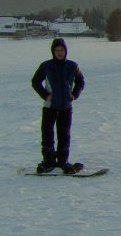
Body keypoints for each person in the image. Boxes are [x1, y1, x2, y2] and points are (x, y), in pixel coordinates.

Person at [31, 37, 86, 174]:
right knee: (47, 134)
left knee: (64, 134)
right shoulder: (46, 66)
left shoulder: (72, 66)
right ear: (53, 52)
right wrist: (45, 95)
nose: (59, 53)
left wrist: (74, 94)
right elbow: (35, 81)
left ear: (65, 51)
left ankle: (63, 161)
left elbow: (81, 81)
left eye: (62, 50)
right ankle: (49, 161)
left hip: (66, 107)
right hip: (50, 107)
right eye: (57, 50)